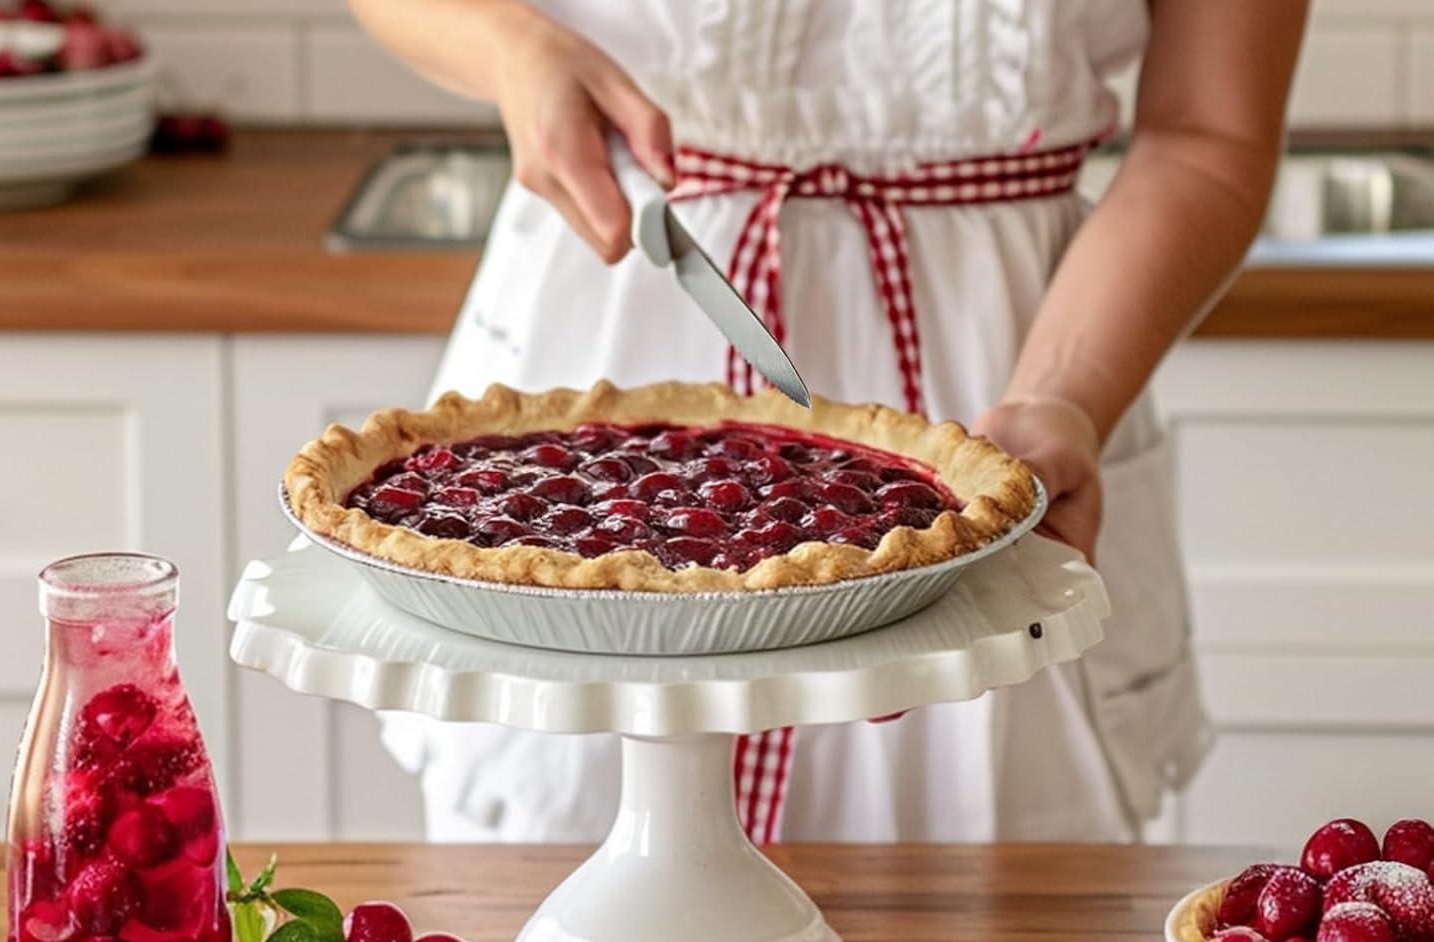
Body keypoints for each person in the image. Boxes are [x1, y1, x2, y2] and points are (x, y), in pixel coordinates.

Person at [353, 0, 1308, 843]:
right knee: (573, 933)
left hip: (1023, 368)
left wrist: (1063, 395)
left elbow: (1208, 130)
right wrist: (508, 44)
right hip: (621, 321)